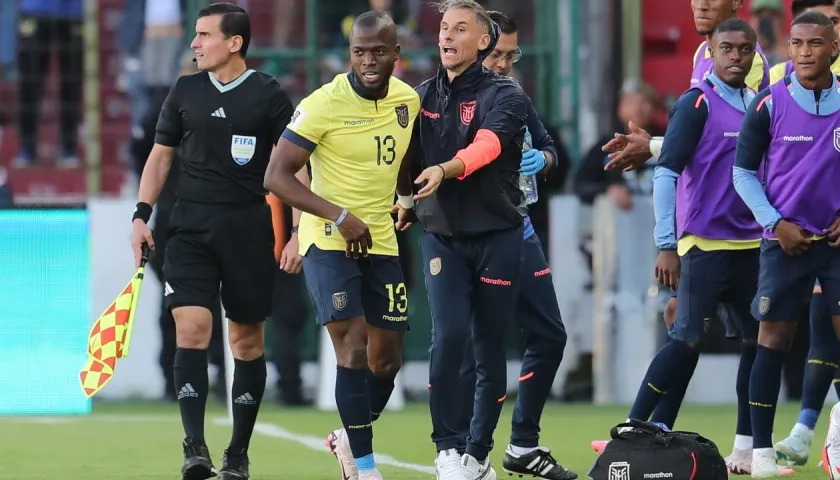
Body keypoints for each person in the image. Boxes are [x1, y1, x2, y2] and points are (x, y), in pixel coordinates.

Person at [129, 4, 294, 479]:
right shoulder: (184, 91)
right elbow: (159, 160)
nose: (194, 44)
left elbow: (294, 167)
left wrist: (300, 232)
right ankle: (194, 448)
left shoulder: (269, 94)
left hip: (248, 228)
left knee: (245, 341)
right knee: (192, 328)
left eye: (203, 35)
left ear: (234, 42)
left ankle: (237, 455)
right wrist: (141, 215)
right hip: (189, 229)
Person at [263, 11, 419, 480]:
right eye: (359, 52)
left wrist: (407, 199)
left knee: (387, 357)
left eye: (377, 52)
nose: (368, 61)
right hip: (329, 239)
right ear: (350, 52)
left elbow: (407, 150)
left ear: (396, 53)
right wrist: (337, 216)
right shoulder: (322, 104)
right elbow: (276, 175)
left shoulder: (407, 99)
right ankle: (364, 469)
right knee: (351, 348)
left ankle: (347, 437)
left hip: (383, 239)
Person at [620, 19, 777, 476]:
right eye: (726, 48)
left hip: (751, 245)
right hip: (703, 245)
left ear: (753, 56)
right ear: (709, 50)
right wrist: (666, 243)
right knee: (686, 337)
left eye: (744, 50)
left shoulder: (755, 104)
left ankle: (746, 448)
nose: (735, 57)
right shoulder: (696, 103)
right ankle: (633, 425)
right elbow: (666, 172)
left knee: (756, 342)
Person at [393, 1, 528, 477]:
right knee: (448, 336)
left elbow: (487, 147)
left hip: (498, 235)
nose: (447, 36)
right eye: (444, 27)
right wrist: (406, 203)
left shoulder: (505, 96)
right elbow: (406, 160)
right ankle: (447, 448)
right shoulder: (419, 97)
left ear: (483, 42)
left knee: (490, 346)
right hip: (443, 237)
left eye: (460, 29)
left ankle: (479, 452)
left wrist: (446, 170)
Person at [446, 10, 576, 480]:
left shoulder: (515, 96)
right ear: (479, 45)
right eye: (497, 53)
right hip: (473, 237)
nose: (503, 63)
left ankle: (521, 443)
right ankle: (464, 452)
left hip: (519, 230)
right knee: (480, 349)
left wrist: (540, 158)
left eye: (511, 55)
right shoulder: (456, 95)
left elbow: (553, 152)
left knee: (549, 336)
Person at [732, 10, 840, 476]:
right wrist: (775, 224)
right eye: (796, 44)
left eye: (815, 44)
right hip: (784, 241)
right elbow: (741, 172)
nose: (804, 52)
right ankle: (760, 454)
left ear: (833, 49)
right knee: (771, 340)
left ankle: (834, 444)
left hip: (835, 244)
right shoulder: (769, 103)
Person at [771, 1, 840, 466]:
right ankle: (804, 433)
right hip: (808, 233)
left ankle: (808, 432)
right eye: (802, 37)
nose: (809, 47)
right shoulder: (780, 77)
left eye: (832, 24)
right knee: (820, 325)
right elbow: (739, 139)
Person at [600, 0, 771, 172]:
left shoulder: (745, 59)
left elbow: (730, 136)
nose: (701, 5)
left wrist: (653, 146)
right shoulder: (702, 51)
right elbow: (701, 130)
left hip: (728, 189)